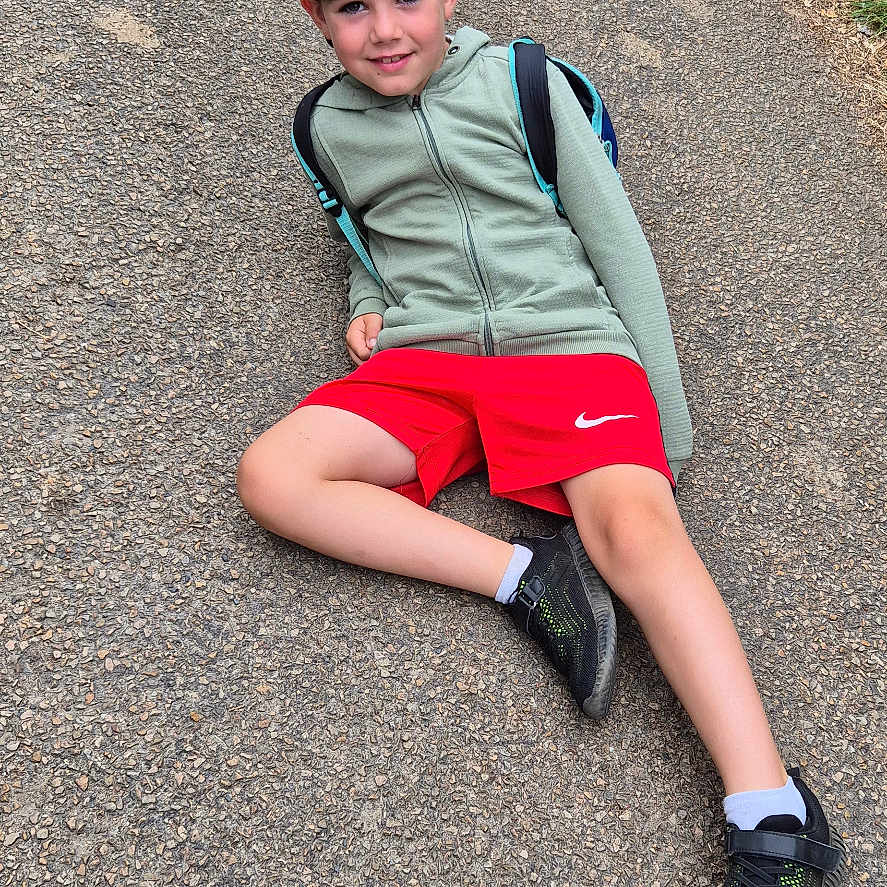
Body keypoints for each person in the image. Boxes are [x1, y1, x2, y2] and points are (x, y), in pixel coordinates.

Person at [236, 0, 848, 882]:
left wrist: (658, 438)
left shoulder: (523, 81)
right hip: (428, 357)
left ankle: (769, 808)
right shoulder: (322, 124)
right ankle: (526, 579)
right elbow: (359, 231)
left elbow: (619, 247)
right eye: (350, 8)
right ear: (315, 18)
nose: (383, 29)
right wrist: (363, 301)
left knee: (636, 534)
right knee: (274, 475)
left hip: (565, 348)